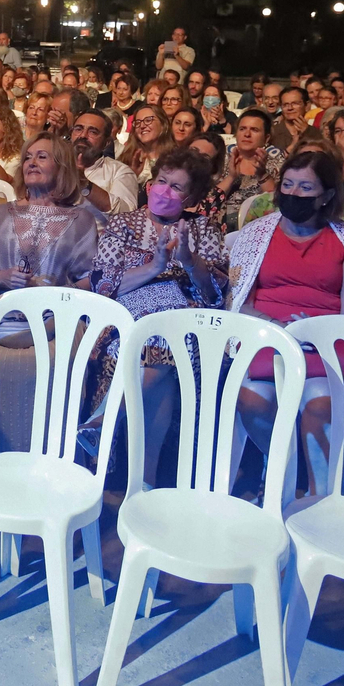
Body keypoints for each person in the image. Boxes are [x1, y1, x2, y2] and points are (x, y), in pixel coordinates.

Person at [227, 149, 344, 495]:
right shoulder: (257, 234)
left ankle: (319, 491)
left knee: (319, 403)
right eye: (288, 185)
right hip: (268, 335)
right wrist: (271, 325)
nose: (293, 194)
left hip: (324, 339)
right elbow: (237, 302)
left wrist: (315, 331)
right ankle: (287, 471)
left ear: (327, 195)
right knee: (252, 401)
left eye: (306, 188)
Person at [88, 149, 226, 480]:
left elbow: (215, 294)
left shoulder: (202, 228)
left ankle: (103, 422)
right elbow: (104, 285)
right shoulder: (122, 224)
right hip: (129, 313)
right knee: (158, 357)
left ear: (190, 197)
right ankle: (145, 481)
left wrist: (189, 260)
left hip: (182, 314)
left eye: (176, 187)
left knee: (166, 347)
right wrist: (157, 266)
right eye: (162, 181)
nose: (165, 191)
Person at [0, 133, 97, 333]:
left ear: (62, 167)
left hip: (56, 321)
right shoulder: (0, 213)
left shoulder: (81, 219)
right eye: (27, 157)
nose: (32, 163)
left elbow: (92, 278)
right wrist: (1, 277)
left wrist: (55, 296)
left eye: (42, 157)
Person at [208, 109, 284, 230]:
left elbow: (276, 205)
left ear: (267, 138)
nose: (247, 134)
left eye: (254, 130)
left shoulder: (278, 163)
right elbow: (209, 202)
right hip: (218, 228)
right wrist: (231, 177)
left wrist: (262, 174)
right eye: (242, 129)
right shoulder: (220, 160)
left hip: (260, 229)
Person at [72, 109, 138, 216]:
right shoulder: (55, 165)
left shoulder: (120, 172)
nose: (83, 135)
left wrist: (85, 184)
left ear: (106, 143)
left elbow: (126, 214)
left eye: (93, 132)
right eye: (78, 129)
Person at [118, 103, 167, 182]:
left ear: (163, 124)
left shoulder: (174, 157)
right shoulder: (126, 158)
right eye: (138, 123)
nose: (142, 126)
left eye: (148, 120)